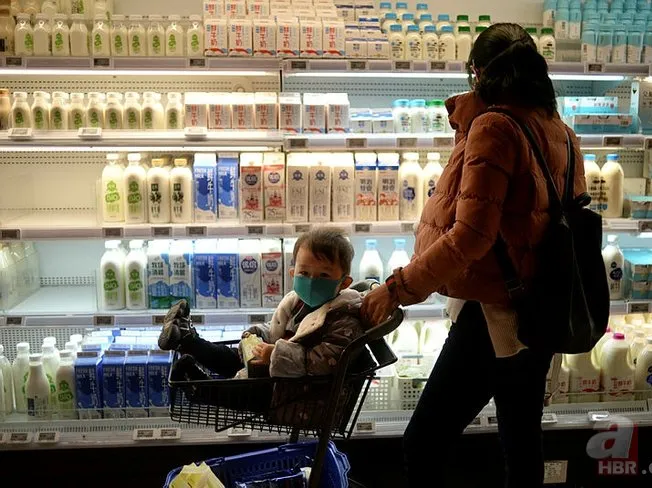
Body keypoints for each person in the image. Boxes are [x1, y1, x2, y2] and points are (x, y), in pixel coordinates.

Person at [361, 23, 587, 487]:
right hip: (541, 307)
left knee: (424, 441)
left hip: (496, 314)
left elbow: (470, 237)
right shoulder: (560, 130)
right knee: (522, 445)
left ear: (479, 73)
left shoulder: (495, 126)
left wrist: (398, 288)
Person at [158, 227, 365, 385]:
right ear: (293, 274)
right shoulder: (298, 304)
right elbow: (282, 330)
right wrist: (260, 334)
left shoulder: (344, 318)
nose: (312, 281)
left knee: (241, 387)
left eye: (324, 275)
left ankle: (196, 384)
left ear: (344, 283)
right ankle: (187, 339)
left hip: (296, 392)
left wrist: (274, 355)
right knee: (234, 357)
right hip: (279, 375)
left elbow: (324, 361)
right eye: (304, 273)